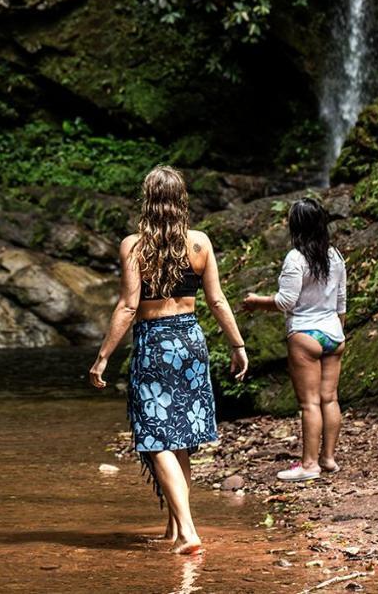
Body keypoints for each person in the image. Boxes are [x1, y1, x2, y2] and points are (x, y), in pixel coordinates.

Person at [89, 165, 250, 555]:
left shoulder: (134, 246)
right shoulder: (200, 243)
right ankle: (175, 529)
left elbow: (129, 306)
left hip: (154, 345)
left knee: (155, 436)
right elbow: (216, 300)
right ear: (182, 201)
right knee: (179, 439)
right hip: (191, 341)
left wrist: (102, 357)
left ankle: (190, 531)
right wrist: (237, 344)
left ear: (148, 200)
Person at [243, 196, 347, 481]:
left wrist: (256, 302)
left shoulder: (296, 258)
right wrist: (339, 332)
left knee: (310, 403)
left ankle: (309, 465)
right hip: (333, 335)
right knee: (330, 399)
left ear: (295, 226)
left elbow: (286, 301)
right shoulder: (335, 256)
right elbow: (341, 302)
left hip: (306, 335)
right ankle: (328, 459)